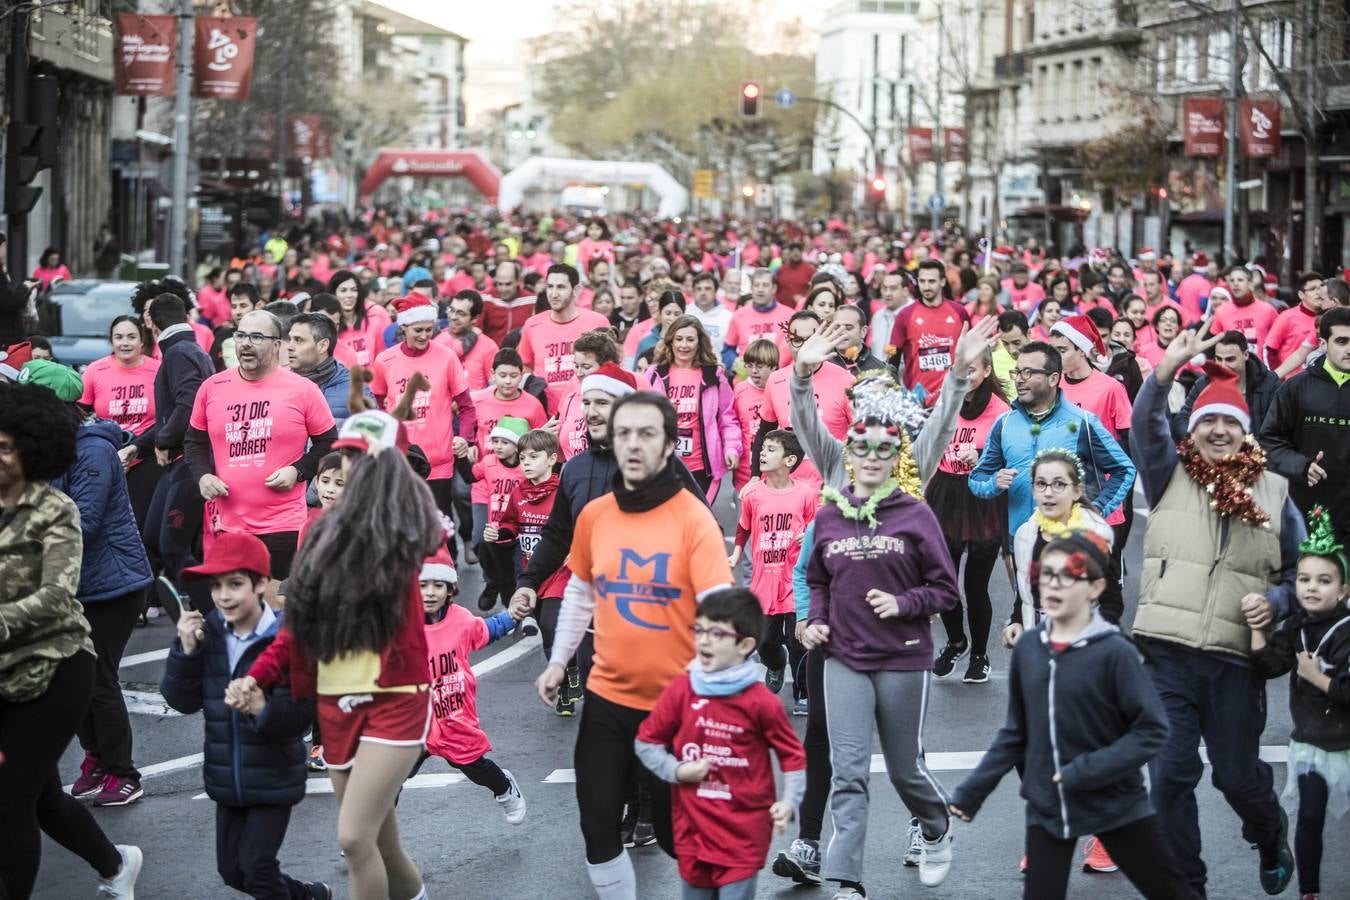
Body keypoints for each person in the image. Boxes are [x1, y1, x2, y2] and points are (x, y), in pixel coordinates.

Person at [532, 392, 734, 900]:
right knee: (598, 827)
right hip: (607, 699)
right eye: (624, 433)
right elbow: (580, 589)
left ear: (670, 444)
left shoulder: (692, 519)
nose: (633, 444)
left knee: (676, 838)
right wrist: (559, 662)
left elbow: (718, 606)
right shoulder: (597, 515)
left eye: (647, 433)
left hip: (676, 706)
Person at [237, 410, 441, 900]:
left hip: (395, 699)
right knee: (380, 845)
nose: (349, 468)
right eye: (346, 455)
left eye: (363, 459)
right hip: (335, 702)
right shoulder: (318, 532)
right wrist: (259, 676)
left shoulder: (401, 529)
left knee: (352, 838)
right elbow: (298, 626)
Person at [1129, 327, 1306, 897]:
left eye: (1230, 422)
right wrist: (1161, 377)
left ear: (1245, 431)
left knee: (1236, 777)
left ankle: (1269, 828)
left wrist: (1275, 601)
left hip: (1236, 659)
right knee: (1171, 779)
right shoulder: (1167, 473)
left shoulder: (1275, 493)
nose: (1220, 430)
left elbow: (1303, 578)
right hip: (1165, 654)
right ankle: (1188, 888)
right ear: (1194, 429)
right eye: (1209, 421)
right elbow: (1144, 427)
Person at [948, 533, 1198, 900]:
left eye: (1067, 577)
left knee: (1172, 893)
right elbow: (1016, 733)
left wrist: (1085, 770)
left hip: (1116, 803)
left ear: (1095, 587)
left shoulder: (1115, 651)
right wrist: (972, 791)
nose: (1053, 585)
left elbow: (1152, 730)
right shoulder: (1030, 649)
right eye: (1046, 575)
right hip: (1049, 805)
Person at [801, 372, 961, 898]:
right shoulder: (829, 516)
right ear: (849, 453)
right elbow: (817, 578)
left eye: (883, 450)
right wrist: (815, 619)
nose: (872, 457)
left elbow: (945, 591)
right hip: (844, 656)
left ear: (897, 457)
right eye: (862, 448)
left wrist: (902, 603)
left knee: (903, 770)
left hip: (902, 656)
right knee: (848, 773)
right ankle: (846, 880)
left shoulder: (915, 514)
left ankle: (937, 826)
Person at [0, 381, 142, 900]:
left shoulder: (55, 509)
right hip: (4, 671)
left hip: (58, 666)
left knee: (10, 800)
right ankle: (115, 864)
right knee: (39, 797)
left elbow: (58, 594)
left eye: (6, 446)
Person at [15, 360, 154, 809]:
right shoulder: (44, 449)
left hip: (113, 584)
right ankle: (95, 757)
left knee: (98, 678)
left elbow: (84, 520)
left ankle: (123, 772)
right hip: (74, 583)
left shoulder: (91, 449)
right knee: (67, 676)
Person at [161, 532, 329, 900]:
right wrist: (185, 651)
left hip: (273, 776)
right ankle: (310, 896)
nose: (224, 596)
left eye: (235, 584)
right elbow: (181, 701)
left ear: (261, 584)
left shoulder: (289, 638)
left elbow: (300, 716)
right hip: (226, 779)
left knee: (257, 869)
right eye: (216, 585)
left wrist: (261, 710)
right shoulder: (212, 633)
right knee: (233, 871)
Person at [635, 588, 807, 900]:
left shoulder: (761, 703)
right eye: (698, 629)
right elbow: (646, 743)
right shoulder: (682, 691)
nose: (703, 640)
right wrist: (677, 770)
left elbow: (793, 757)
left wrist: (789, 802)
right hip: (692, 833)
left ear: (745, 645)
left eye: (716, 633)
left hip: (744, 835)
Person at [187, 309, 338, 590]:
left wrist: (298, 471)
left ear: (277, 345)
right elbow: (194, 442)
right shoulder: (212, 387)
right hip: (227, 525)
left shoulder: (303, 390)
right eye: (241, 335)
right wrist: (203, 477)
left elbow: (328, 442)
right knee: (234, 611)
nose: (245, 343)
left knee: (276, 616)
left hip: (282, 526)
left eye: (256, 337)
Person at [1249, 506, 1350, 900]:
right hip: (1311, 742)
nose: (1311, 588)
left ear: (1343, 590)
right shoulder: (1295, 627)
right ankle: (1309, 891)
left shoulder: (1345, 631)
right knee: (1309, 816)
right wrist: (1259, 632)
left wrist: (1317, 678)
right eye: (1305, 579)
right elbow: (1271, 665)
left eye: (1324, 581)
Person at [968, 341, 1136, 549]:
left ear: (1053, 378)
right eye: (1018, 372)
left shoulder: (1083, 422)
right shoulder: (1004, 424)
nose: (1020, 379)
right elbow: (977, 478)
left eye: (1028, 372)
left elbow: (1124, 470)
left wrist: (1095, 511)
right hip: (1019, 539)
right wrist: (994, 482)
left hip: (1069, 542)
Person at [413, 547, 528, 824]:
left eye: (438, 585)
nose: (430, 592)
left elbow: (486, 631)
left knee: (473, 766)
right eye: (422, 585)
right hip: (414, 720)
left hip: (453, 715)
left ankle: (504, 787)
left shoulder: (461, 620)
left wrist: (512, 616)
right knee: (389, 779)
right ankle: (368, 834)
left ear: (450, 589)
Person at [928, 345, 1010, 684]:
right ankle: (955, 641)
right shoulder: (945, 401)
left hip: (981, 496)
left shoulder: (1002, 411)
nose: (965, 376)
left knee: (976, 586)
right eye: (960, 369)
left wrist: (980, 455)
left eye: (972, 369)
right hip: (945, 493)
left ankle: (979, 654)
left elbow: (1010, 457)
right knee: (941, 579)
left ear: (987, 370)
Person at [369, 292, 478, 535]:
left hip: (439, 461)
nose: (424, 336)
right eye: (418, 330)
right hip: (402, 461)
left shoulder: (446, 357)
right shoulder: (385, 360)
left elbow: (467, 406)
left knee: (441, 527)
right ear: (404, 327)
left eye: (429, 330)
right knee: (404, 527)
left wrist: (466, 438)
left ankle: (449, 571)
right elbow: (374, 407)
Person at [730, 429, 816, 701]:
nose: (761, 454)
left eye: (769, 450)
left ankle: (803, 692)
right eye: (761, 449)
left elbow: (816, 525)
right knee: (765, 642)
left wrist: (810, 536)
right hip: (764, 580)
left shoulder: (805, 493)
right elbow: (743, 527)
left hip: (794, 580)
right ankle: (776, 665)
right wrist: (735, 552)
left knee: (798, 640)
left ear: (789, 460)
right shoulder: (753, 494)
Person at [143, 292, 216, 612]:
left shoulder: (179, 353)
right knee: (152, 538)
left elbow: (188, 405)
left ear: (151, 322)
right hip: (178, 460)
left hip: (189, 460)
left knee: (172, 546)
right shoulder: (186, 349)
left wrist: (163, 439)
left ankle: (216, 614)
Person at [493, 429, 574, 713]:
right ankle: (568, 673)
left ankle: (566, 685)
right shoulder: (519, 492)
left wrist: (575, 550)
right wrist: (499, 533)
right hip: (532, 574)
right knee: (543, 626)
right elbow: (510, 525)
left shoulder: (563, 492)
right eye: (523, 457)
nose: (526, 462)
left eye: (534, 457)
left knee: (553, 626)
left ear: (552, 459)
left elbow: (577, 527)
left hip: (561, 573)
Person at [1261, 306, 1350, 549]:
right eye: (1342, 341)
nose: (1349, 349)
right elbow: (1269, 442)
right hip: (1306, 516)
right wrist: (1301, 465)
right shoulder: (1295, 388)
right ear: (1323, 343)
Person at [643, 315, 741, 500]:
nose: (684, 345)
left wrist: (732, 449)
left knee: (698, 522)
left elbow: (727, 418)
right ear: (670, 342)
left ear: (699, 343)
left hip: (703, 468)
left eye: (690, 339)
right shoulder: (655, 374)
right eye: (679, 339)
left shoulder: (713, 375)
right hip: (663, 465)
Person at [80, 314, 161, 528]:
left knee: (140, 524)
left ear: (142, 341)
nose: (125, 343)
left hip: (146, 457)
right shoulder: (95, 371)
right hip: (106, 458)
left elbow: (167, 417)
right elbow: (79, 414)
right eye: (119, 337)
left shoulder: (158, 370)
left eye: (131, 337)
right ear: (112, 341)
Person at [518, 263, 611, 410]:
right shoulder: (532, 325)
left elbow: (611, 367)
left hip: (585, 411)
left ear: (576, 290)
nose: (553, 294)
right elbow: (525, 366)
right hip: (545, 413)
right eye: (550, 287)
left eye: (561, 287)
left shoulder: (597, 322)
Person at [461, 415, 526, 611]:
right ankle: (493, 585)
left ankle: (516, 610)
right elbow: (469, 476)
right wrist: (460, 456)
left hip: (519, 531)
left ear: (517, 446)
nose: (497, 446)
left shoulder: (526, 467)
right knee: (482, 549)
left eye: (504, 442)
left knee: (515, 573)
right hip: (493, 529)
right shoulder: (489, 462)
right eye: (495, 441)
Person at [889, 258, 972, 406]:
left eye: (932, 281)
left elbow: (970, 353)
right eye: (922, 281)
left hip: (953, 398)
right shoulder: (905, 315)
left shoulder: (959, 312)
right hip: (918, 401)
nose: (926, 287)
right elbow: (893, 361)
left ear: (943, 282)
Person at [1173, 330, 1279, 444]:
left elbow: (1279, 427)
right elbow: (1182, 419)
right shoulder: (1203, 384)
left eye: (1230, 359)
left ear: (1246, 355)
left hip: (1260, 455)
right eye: (1218, 359)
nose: (1223, 366)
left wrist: (1257, 447)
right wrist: (1196, 439)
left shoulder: (1269, 383)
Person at [287, 311, 356, 423]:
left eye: (298, 340)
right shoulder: (278, 384)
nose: (289, 347)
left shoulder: (356, 390)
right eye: (290, 339)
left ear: (323, 346)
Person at [722, 268, 795, 367]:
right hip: (747, 377)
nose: (760, 289)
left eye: (765, 285)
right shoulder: (738, 316)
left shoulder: (790, 316)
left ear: (774, 288)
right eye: (756, 285)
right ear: (751, 288)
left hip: (779, 379)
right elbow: (728, 350)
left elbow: (798, 349)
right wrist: (736, 365)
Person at [731, 339, 778, 492]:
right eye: (749, 365)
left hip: (777, 473)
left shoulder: (783, 388)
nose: (753, 371)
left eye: (759, 366)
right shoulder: (740, 390)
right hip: (746, 472)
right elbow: (732, 426)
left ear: (773, 367)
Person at [436, 290, 500, 392]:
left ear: (475, 318)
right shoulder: (437, 339)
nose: (453, 317)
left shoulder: (488, 347)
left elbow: (496, 389)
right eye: (451, 310)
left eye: (461, 313)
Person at [330, 269, 389, 368]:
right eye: (343, 290)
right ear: (334, 294)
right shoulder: (329, 328)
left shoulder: (374, 320)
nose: (349, 295)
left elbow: (382, 359)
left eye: (354, 290)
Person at [687, 272, 733, 360]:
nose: (703, 293)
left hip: (717, 368)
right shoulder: (685, 313)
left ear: (716, 291)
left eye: (707, 289)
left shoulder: (728, 317)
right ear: (693, 292)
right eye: (699, 289)